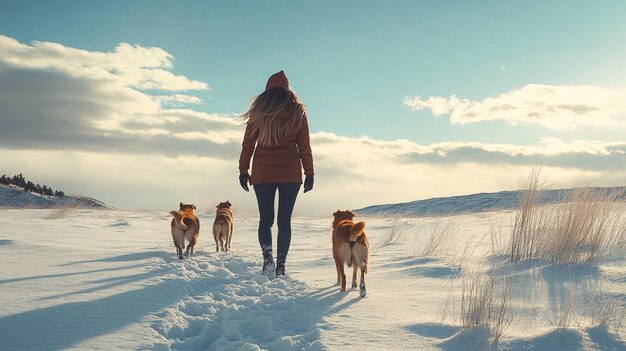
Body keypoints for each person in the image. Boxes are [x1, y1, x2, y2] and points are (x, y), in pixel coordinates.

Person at [238, 70, 315, 277]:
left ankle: (267, 259)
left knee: (266, 220)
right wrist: (310, 173)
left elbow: (248, 145)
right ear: (287, 89)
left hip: (263, 172)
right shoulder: (298, 112)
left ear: (267, 89)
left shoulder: (259, 112)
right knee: (284, 221)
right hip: (290, 174)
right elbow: (304, 146)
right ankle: (281, 265)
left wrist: (243, 170)